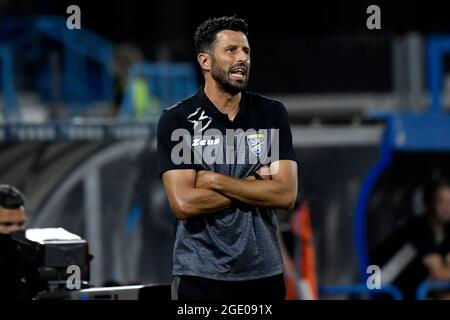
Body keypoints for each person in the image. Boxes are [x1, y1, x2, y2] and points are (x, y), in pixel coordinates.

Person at [157, 16, 298, 300]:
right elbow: (184, 203)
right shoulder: (177, 120)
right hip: (200, 277)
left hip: (264, 276)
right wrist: (257, 184)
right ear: (205, 61)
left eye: (245, 51)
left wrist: (212, 180)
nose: (242, 58)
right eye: (231, 50)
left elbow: (285, 194)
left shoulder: (271, 114)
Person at [374, 176, 450, 299]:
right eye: (442, 201)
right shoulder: (420, 229)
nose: (447, 207)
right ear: (428, 203)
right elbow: (439, 274)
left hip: (410, 291)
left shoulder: (446, 231)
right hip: (379, 288)